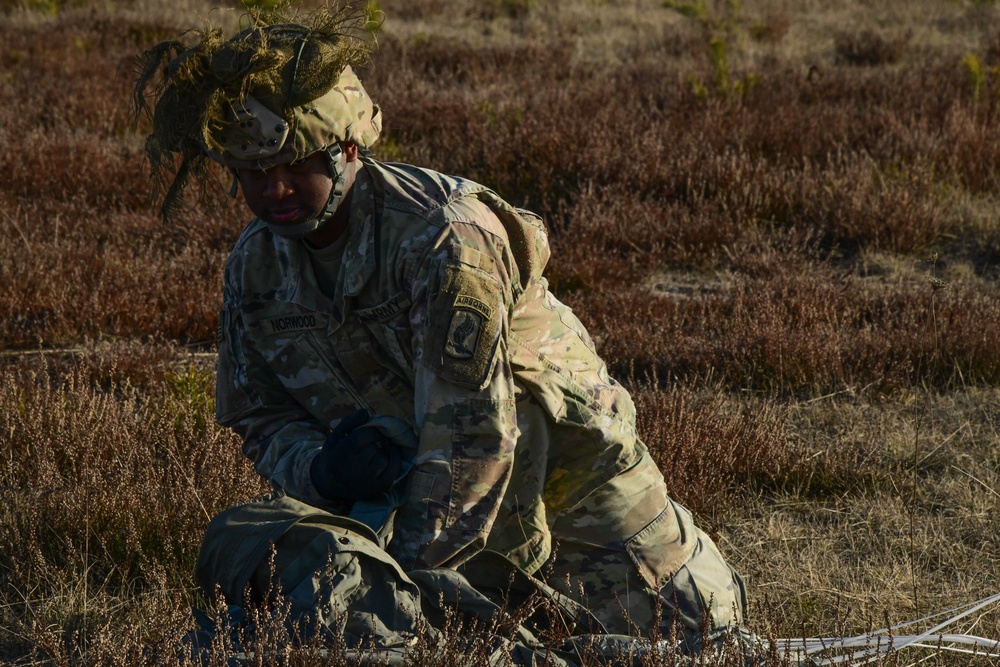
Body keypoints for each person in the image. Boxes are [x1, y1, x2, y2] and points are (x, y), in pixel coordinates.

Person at [131, 5, 751, 656]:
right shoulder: (255, 266)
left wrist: (409, 578)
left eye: (293, 162)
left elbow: (476, 435)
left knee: (697, 643)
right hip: (412, 504)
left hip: (576, 509)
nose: (273, 187)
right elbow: (259, 415)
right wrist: (322, 472)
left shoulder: (446, 239)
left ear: (346, 149)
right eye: (251, 171)